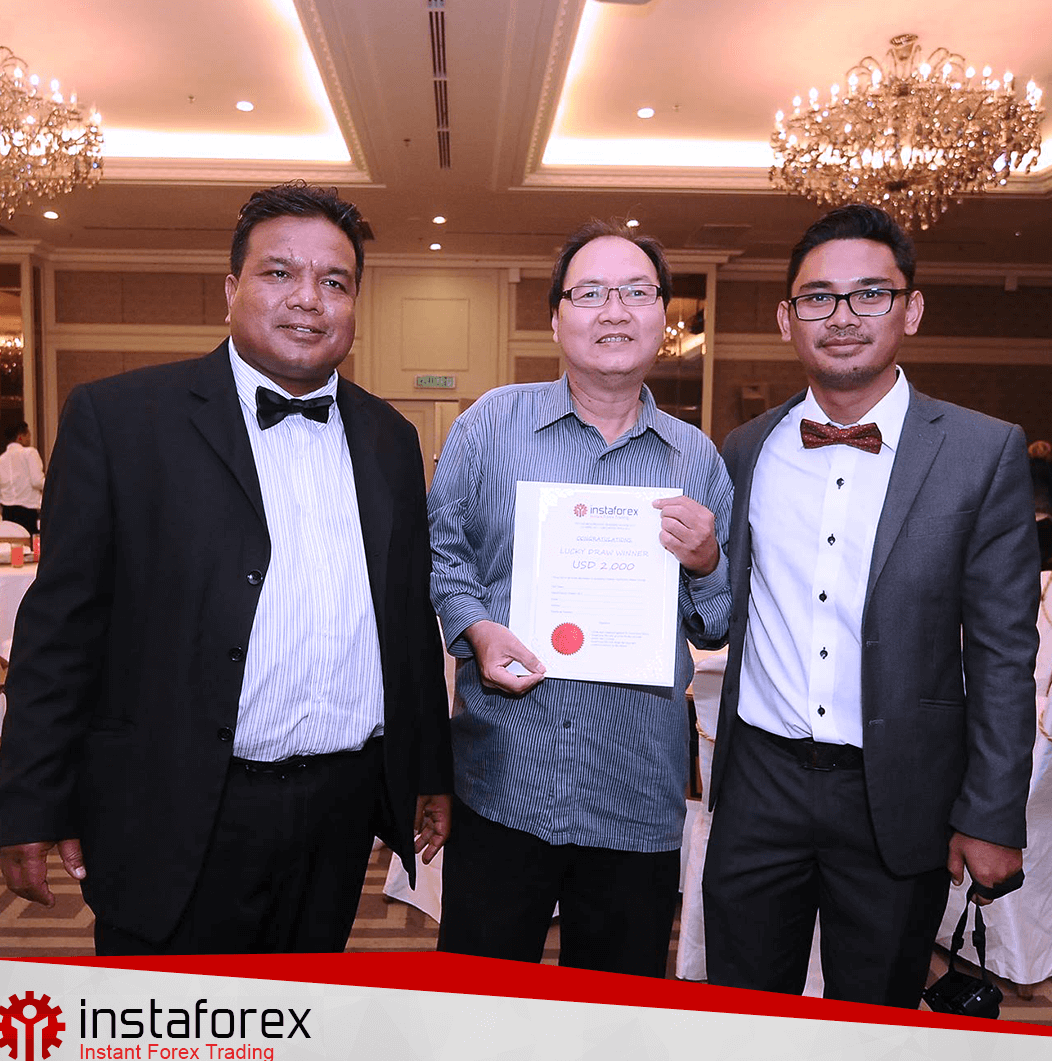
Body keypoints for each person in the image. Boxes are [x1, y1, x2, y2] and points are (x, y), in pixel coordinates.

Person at [0, 182, 452, 955]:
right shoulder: (122, 420)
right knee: (170, 1019)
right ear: (231, 290)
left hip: (339, 812)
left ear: (354, 305)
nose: (308, 299)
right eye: (279, 273)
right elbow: (62, 629)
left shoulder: (389, 439)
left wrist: (427, 767)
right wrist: (32, 798)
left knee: (299, 1017)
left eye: (334, 282)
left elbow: (406, 622)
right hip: (175, 806)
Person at [703, 203, 1040, 1007]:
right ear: (787, 318)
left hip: (900, 794)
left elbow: (1003, 651)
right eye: (818, 297)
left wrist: (992, 814)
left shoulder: (982, 451)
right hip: (760, 786)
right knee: (741, 1017)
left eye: (870, 294)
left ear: (910, 310)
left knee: (877, 1023)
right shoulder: (745, 449)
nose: (843, 316)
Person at [429, 221, 732, 977]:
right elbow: (440, 553)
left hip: (635, 789)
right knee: (476, 1007)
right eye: (590, 293)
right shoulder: (489, 425)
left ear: (663, 318)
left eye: (636, 292)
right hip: (506, 779)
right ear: (556, 317)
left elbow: (717, 623)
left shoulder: (698, 459)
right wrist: (476, 627)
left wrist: (706, 562)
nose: (614, 311)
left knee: (614, 1018)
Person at [0, 421, 44, 534]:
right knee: (30, 543)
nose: (29, 439)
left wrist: (4, 511)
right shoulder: (29, 453)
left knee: (12, 543)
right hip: (28, 512)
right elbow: (37, 481)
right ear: (20, 437)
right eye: (28, 435)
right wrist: (55, 484)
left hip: (7, 514)